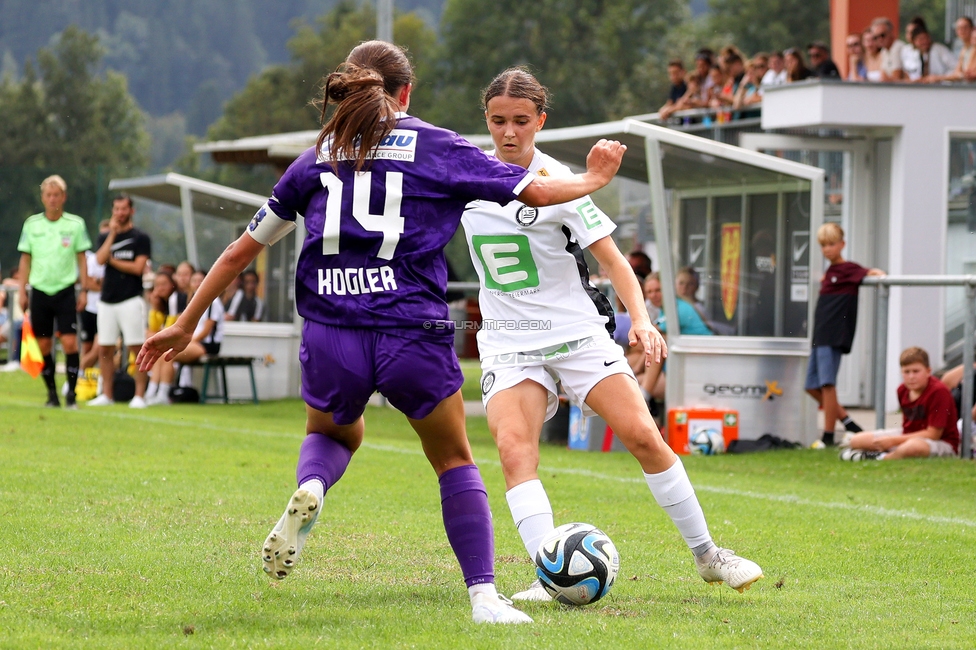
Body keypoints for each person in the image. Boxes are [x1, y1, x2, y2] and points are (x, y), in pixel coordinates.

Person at [137, 40, 627, 625]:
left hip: (330, 331)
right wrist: (596, 177)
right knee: (453, 461)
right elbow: (540, 190)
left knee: (337, 436)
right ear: (406, 93)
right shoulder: (437, 145)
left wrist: (184, 322)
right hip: (409, 332)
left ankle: (314, 486)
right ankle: (484, 596)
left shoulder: (319, 154)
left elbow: (240, 251)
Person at [462, 67, 763, 603]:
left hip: (577, 334)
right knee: (514, 452)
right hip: (508, 339)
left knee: (645, 437)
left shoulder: (562, 182)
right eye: (498, 121)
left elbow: (616, 263)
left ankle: (709, 556)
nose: (509, 132)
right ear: (486, 120)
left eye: (521, 121)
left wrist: (642, 320)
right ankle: (547, 576)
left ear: (540, 121)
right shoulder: (463, 178)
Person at [805, 223, 885, 446]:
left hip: (833, 335)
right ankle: (849, 424)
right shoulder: (830, 272)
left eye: (831, 244)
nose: (827, 249)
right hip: (820, 335)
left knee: (827, 384)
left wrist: (878, 273)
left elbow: (871, 273)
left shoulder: (849, 269)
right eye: (823, 245)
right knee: (811, 386)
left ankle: (828, 436)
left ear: (842, 244)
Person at [16, 175, 91, 408]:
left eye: (56, 195)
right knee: (44, 346)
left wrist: (84, 290)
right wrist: (22, 290)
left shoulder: (75, 224)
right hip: (39, 290)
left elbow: (82, 259)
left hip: (65, 290)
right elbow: (25, 260)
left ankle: (71, 395)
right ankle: (52, 394)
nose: (52, 199)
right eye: (48, 195)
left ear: (63, 197)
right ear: (42, 198)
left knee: (70, 343)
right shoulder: (32, 224)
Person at [87, 194, 152, 408]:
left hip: (130, 299)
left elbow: (137, 268)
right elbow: (98, 259)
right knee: (105, 349)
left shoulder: (140, 238)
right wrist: (112, 233)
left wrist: (113, 261)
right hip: (107, 300)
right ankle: (107, 394)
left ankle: (140, 395)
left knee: (136, 347)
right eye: (116, 209)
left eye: (123, 209)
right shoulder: (106, 236)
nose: (119, 213)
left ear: (131, 211)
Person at [841, 347, 959, 461]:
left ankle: (881, 458)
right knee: (857, 440)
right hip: (907, 435)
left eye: (916, 371)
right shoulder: (902, 390)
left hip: (941, 442)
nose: (911, 376)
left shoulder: (938, 391)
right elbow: (906, 428)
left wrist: (893, 441)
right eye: (906, 372)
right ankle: (880, 453)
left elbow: (933, 434)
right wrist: (895, 440)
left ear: (928, 371)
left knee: (912, 447)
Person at [79, 220, 110, 371]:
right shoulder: (90, 260)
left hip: (108, 308)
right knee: (88, 345)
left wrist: (98, 282)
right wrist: (103, 282)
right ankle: (82, 377)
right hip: (90, 308)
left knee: (102, 347)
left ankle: (80, 372)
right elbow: (87, 282)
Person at [872, 17, 905, 81]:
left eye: (882, 35)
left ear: (891, 32)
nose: (880, 39)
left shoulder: (898, 48)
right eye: (876, 37)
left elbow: (896, 78)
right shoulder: (884, 51)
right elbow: (883, 75)